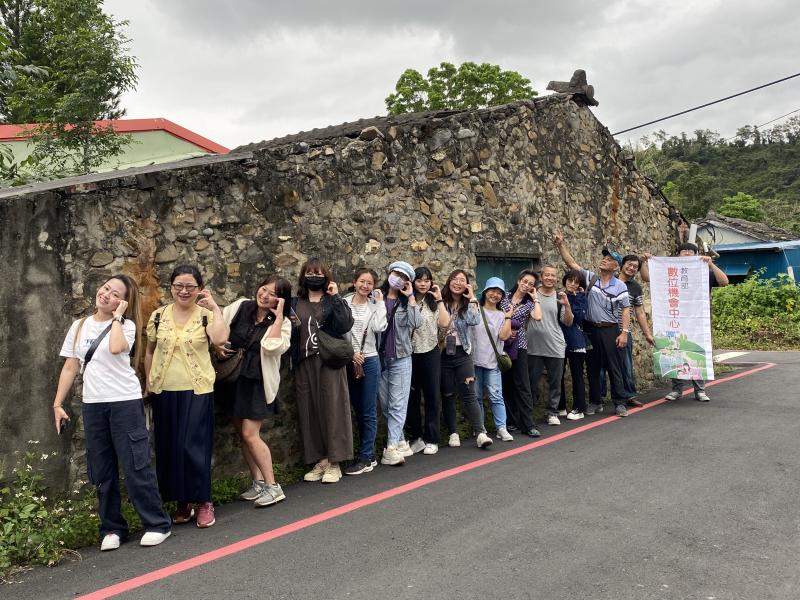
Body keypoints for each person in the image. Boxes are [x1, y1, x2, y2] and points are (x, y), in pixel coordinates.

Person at [53, 275, 171, 551]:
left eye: (115, 293)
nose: (106, 294)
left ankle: (156, 523)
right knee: (101, 467)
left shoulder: (126, 325)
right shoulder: (79, 325)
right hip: (93, 404)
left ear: (124, 302)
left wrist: (117, 317)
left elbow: (118, 348)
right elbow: (71, 366)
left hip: (124, 402)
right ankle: (112, 527)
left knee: (135, 464)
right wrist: (57, 404)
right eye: (105, 288)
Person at [145, 265, 228, 528]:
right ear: (170, 287)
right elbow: (149, 351)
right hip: (163, 390)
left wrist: (215, 308)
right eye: (178, 285)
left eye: (190, 286)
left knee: (194, 446)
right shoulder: (158, 315)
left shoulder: (206, 316)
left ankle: (204, 501)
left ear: (199, 289)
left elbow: (220, 339)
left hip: (197, 390)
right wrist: (148, 382)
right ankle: (182, 502)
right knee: (169, 447)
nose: (183, 291)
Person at [216, 276, 292, 507]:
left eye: (272, 293)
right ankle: (258, 482)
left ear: (281, 299)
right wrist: (217, 345)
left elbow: (272, 347)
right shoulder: (240, 306)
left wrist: (278, 318)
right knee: (242, 435)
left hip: (256, 382)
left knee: (250, 434)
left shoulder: (284, 323)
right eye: (263, 289)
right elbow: (219, 325)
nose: (265, 295)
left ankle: (273, 486)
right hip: (232, 377)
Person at [554, 233, 632, 417]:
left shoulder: (620, 285)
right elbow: (572, 264)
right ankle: (596, 401)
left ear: (615, 266)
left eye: (609, 259)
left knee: (614, 366)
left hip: (610, 329)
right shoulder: (591, 278)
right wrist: (560, 245)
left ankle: (619, 403)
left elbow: (626, 309)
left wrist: (624, 332)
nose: (604, 260)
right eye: (604, 257)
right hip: (590, 329)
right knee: (593, 367)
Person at [291, 258, 354, 483]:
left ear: (325, 276)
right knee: (310, 411)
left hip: (329, 361)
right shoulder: (294, 302)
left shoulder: (331, 301)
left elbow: (346, 324)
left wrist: (336, 296)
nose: (314, 276)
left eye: (318, 273)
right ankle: (322, 459)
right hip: (304, 362)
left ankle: (336, 462)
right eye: (309, 272)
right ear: (303, 276)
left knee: (333, 410)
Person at [643, 242, 728, 402]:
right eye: (684, 251)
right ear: (678, 254)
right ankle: (677, 390)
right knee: (675, 351)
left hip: (696, 320)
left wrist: (710, 264)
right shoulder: (670, 271)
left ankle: (700, 390)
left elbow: (724, 282)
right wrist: (647, 262)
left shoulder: (703, 272)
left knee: (696, 350)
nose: (688, 253)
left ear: (696, 254)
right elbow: (647, 278)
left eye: (691, 251)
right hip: (674, 318)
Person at [440, 270, 493, 449]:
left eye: (462, 280)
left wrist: (472, 299)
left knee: (469, 394)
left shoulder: (469, 303)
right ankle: (453, 432)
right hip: (442, 354)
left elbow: (474, 320)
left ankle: (480, 433)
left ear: (467, 285)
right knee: (447, 394)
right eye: (454, 279)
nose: (458, 283)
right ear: (448, 281)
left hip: (463, 353)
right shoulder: (439, 301)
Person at [377, 261, 423, 466]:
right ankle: (401, 439)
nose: (399, 279)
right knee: (386, 404)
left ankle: (391, 447)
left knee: (398, 404)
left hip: (402, 357)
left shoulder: (406, 302)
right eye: (397, 274)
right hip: (378, 358)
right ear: (389, 273)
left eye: (404, 277)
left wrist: (411, 296)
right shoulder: (375, 297)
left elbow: (417, 323)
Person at [343, 268, 387, 475]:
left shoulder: (374, 305)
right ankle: (368, 453)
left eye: (369, 283)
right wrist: (351, 353)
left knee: (368, 410)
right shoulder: (344, 303)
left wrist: (380, 304)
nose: (365, 286)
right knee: (356, 409)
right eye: (362, 281)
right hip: (349, 360)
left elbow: (380, 327)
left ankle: (365, 456)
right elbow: (338, 330)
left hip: (369, 359)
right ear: (354, 282)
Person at [407, 266, 450, 455]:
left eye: (427, 280)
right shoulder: (406, 300)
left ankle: (432, 438)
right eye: (419, 280)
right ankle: (416, 437)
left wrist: (439, 298)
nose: (423, 284)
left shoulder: (434, 301)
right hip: (410, 353)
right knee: (412, 397)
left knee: (432, 395)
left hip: (431, 351)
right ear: (413, 282)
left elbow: (444, 323)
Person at [527, 266, 573, 426]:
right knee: (531, 383)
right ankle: (528, 414)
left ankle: (552, 412)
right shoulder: (531, 294)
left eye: (553, 276)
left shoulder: (560, 297)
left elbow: (567, 322)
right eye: (547, 275)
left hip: (555, 345)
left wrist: (567, 305)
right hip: (533, 347)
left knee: (555, 382)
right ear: (541, 276)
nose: (550, 278)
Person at [500, 270, 543, 438]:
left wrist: (535, 298)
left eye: (531, 284)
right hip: (502, 343)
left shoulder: (529, 303)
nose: (526, 285)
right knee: (506, 384)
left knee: (523, 385)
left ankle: (528, 424)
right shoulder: (504, 297)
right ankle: (511, 421)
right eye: (525, 281)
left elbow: (537, 317)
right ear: (518, 281)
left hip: (519, 345)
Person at [472, 277, 515, 441]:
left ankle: (501, 428)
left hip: (493, 362)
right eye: (492, 291)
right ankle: (480, 429)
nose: (495, 294)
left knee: (496, 396)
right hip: (475, 361)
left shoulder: (501, 315)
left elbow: (503, 337)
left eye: (499, 293)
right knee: (476, 398)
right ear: (485, 292)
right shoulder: (476, 309)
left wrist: (508, 317)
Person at [615, 255, 655, 407]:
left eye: (635, 267)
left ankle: (629, 396)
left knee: (626, 365)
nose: (631, 268)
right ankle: (599, 398)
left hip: (625, 331)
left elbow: (639, 312)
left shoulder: (635, 287)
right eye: (629, 264)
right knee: (602, 366)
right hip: (606, 331)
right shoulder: (609, 281)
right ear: (622, 264)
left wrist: (647, 334)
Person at [558, 270, 589, 420]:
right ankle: (560, 406)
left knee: (577, 375)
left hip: (575, 340)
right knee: (558, 375)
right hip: (558, 341)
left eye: (576, 282)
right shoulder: (558, 296)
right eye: (570, 280)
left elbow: (579, 318)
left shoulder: (581, 298)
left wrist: (578, 298)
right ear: (565, 281)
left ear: (580, 286)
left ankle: (579, 408)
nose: (572, 284)